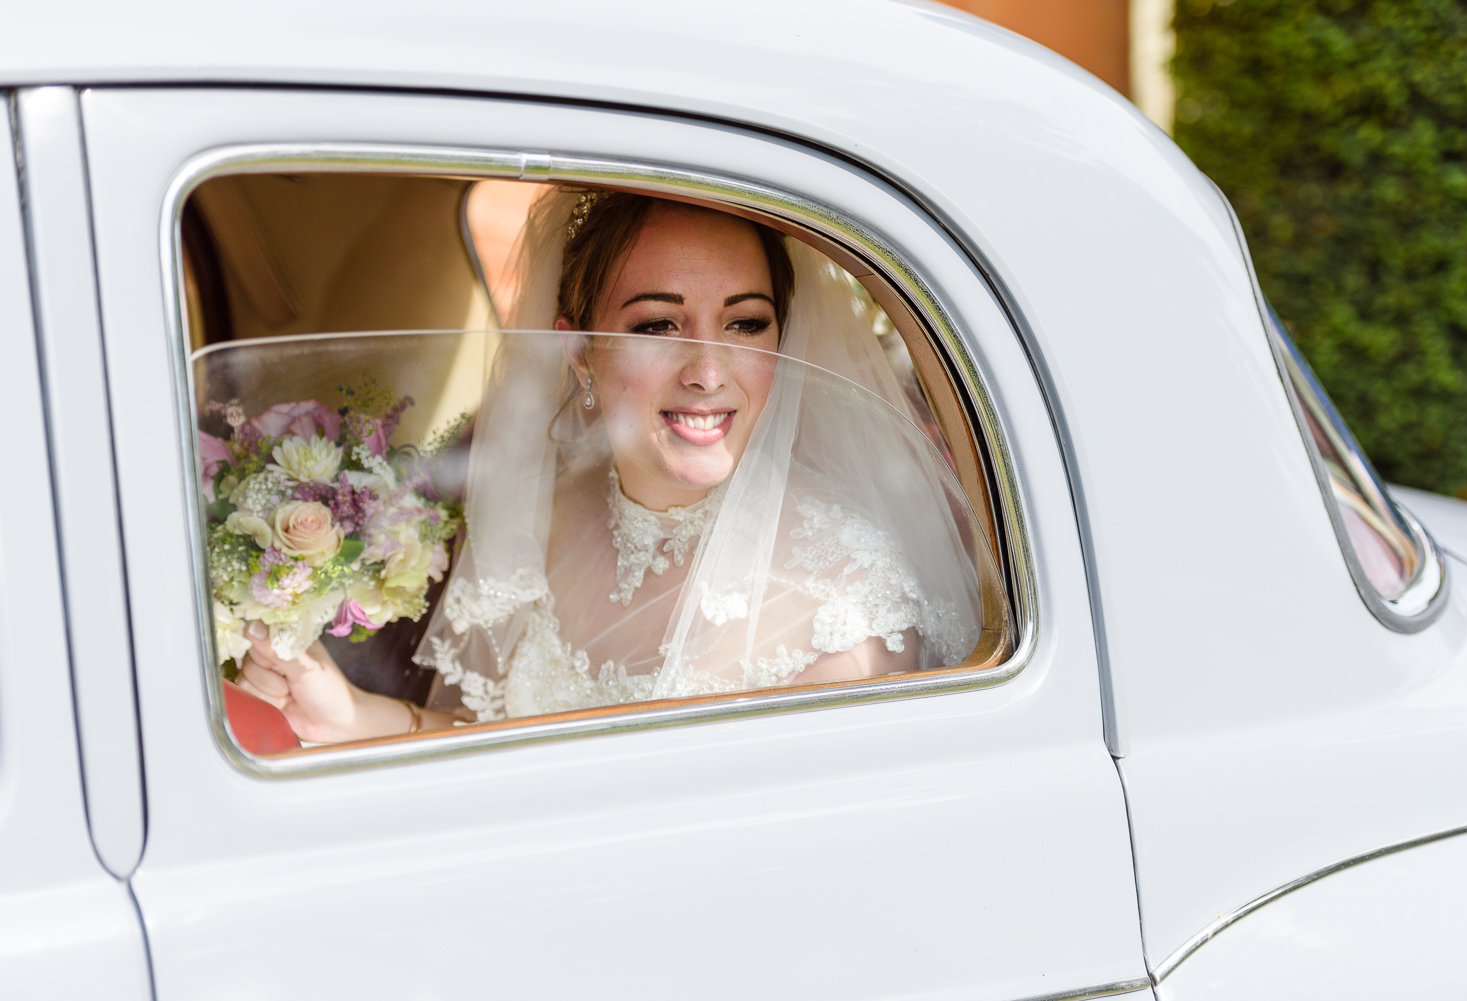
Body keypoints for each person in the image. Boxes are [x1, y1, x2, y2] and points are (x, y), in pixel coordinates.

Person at [238, 189, 989, 742]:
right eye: (659, 323)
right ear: (579, 351)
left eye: (746, 323)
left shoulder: (849, 596)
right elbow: (501, 742)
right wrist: (355, 715)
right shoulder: (541, 515)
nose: (708, 369)